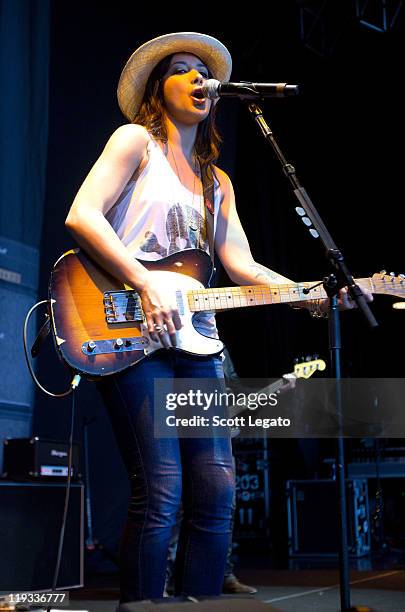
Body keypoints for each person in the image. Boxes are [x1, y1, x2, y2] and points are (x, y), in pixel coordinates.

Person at [64, 32, 371, 602]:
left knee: (217, 488)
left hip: (197, 340)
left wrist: (311, 292)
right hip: (133, 331)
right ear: (159, 90)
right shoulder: (134, 141)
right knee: (161, 491)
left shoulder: (217, 182)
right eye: (182, 69)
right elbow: (82, 214)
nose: (198, 78)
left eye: (203, 71)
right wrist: (144, 278)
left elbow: (242, 264)